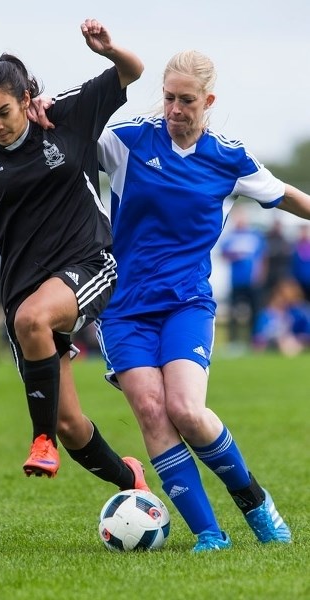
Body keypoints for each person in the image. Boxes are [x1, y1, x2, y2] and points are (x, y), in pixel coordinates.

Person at [0, 20, 150, 493]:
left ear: (24, 99)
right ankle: (131, 483)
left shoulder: (67, 116)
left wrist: (108, 48)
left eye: (2, 112)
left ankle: (39, 441)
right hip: (24, 289)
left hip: (88, 263)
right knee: (70, 423)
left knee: (34, 322)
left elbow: (132, 70)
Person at [93, 48, 310, 551]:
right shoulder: (126, 143)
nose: (174, 109)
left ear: (208, 100)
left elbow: (286, 194)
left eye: (186, 100)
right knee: (150, 409)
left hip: (186, 303)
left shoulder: (228, 157)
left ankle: (255, 503)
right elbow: (70, 139)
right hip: (124, 308)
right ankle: (209, 534)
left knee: (187, 409)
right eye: (168, 97)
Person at [220, 207, 268, 347]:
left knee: (255, 311)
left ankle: (254, 340)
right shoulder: (230, 236)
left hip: (252, 281)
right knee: (234, 312)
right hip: (236, 281)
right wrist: (235, 255)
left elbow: (263, 257)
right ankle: (234, 341)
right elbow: (224, 255)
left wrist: (260, 275)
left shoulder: (255, 235)